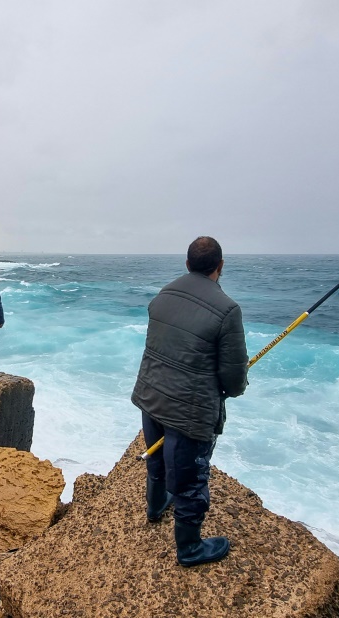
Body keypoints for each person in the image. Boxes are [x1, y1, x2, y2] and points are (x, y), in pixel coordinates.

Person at [131, 236, 249, 567]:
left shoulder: (163, 295)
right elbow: (234, 376)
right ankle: (189, 549)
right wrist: (234, 389)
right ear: (220, 266)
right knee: (191, 481)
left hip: (151, 397)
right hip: (189, 410)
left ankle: (155, 507)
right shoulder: (228, 310)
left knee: (156, 460)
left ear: (187, 265)